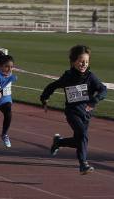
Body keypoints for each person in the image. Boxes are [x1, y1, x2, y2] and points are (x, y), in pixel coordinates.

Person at [41, 45, 107, 175]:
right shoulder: (68, 76)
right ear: (73, 61)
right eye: (81, 61)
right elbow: (53, 86)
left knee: (79, 140)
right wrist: (44, 98)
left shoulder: (90, 77)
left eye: (86, 62)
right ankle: (83, 164)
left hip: (86, 113)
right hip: (72, 112)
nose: (84, 64)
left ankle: (59, 142)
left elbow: (103, 89)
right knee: (83, 135)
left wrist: (95, 100)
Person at [0, 51, 17, 148]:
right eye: (7, 67)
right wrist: (10, 79)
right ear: (0, 66)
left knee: (8, 113)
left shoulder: (9, 72)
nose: (9, 69)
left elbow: (9, 73)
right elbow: (1, 84)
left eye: (11, 67)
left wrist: (11, 77)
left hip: (6, 100)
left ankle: (4, 134)